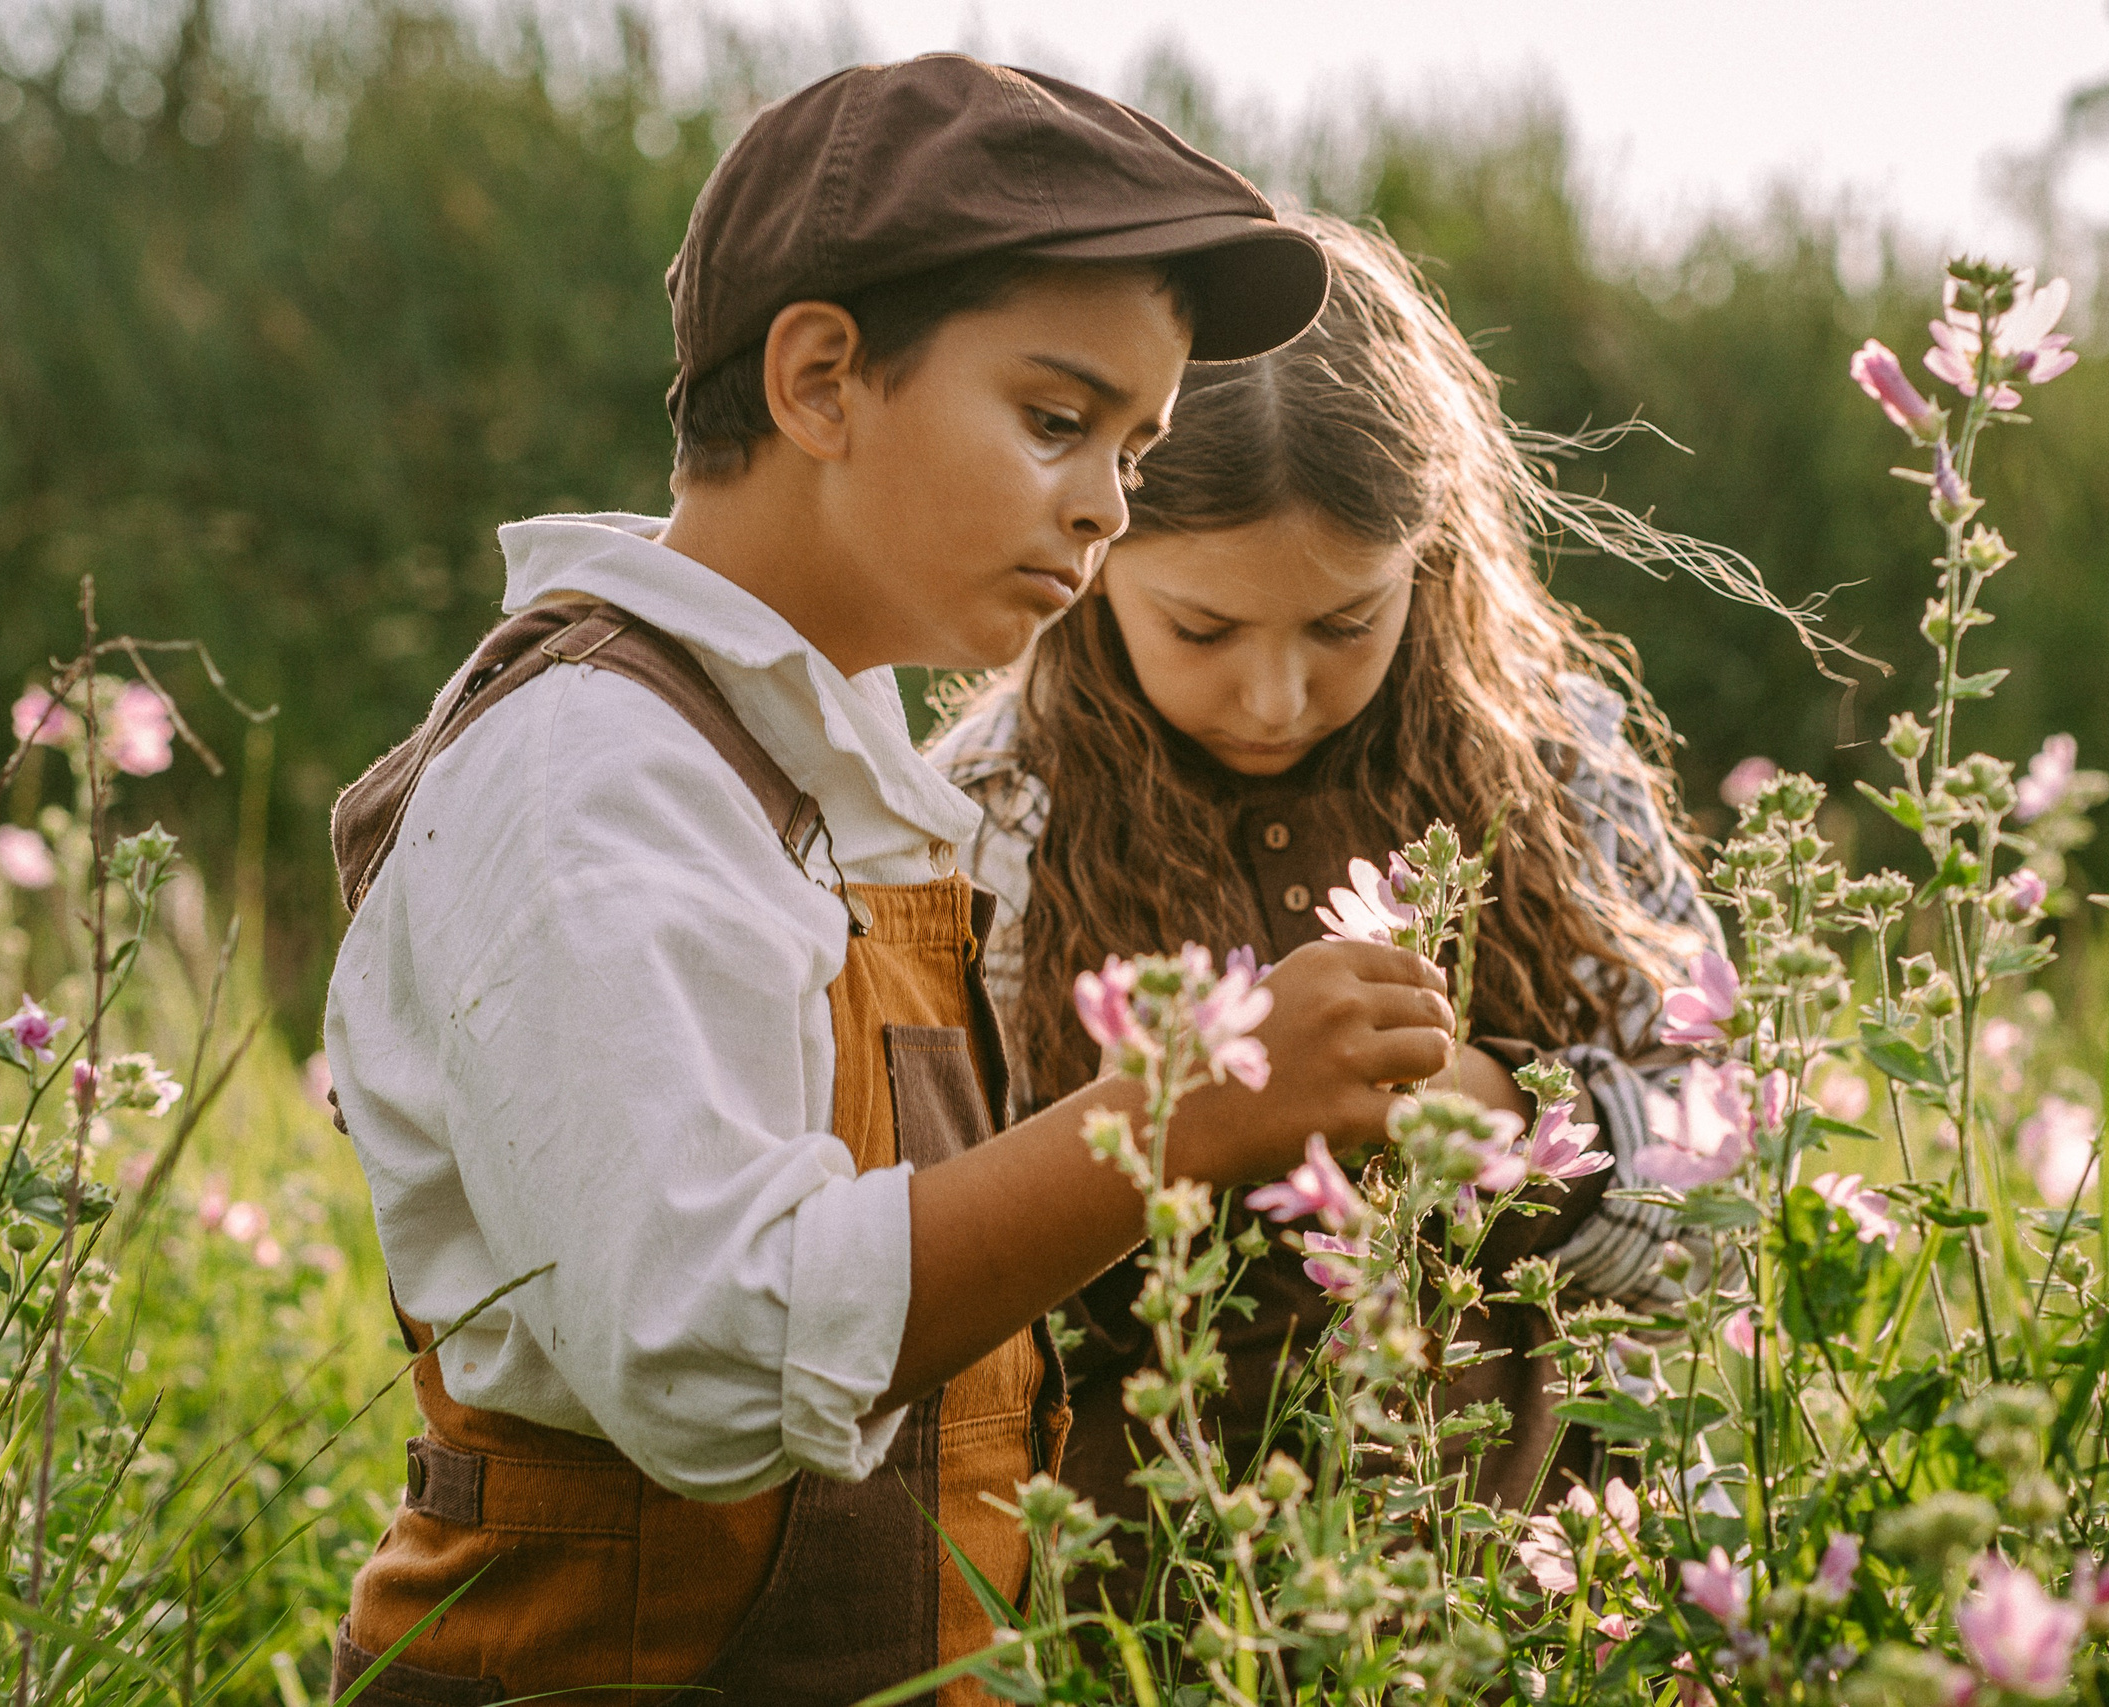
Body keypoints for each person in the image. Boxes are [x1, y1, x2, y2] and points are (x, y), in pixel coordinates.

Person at [322, 61, 1457, 1707]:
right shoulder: (594, 776)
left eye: (1136, 446)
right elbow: (712, 1356)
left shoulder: (820, 758)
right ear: (821, 378)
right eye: (1059, 420)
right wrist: (1178, 1111)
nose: (1107, 504)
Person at [926, 214, 1725, 1568]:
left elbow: (1732, 1189)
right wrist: (1175, 1134)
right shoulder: (982, 813)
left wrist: (1506, 1119)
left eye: (1347, 623)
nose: (1276, 695)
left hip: (1544, 1588)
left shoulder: (1550, 763)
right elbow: (914, 1269)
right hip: (1137, 1597)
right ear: (1092, 553)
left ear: (1432, 563)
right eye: (1203, 629)